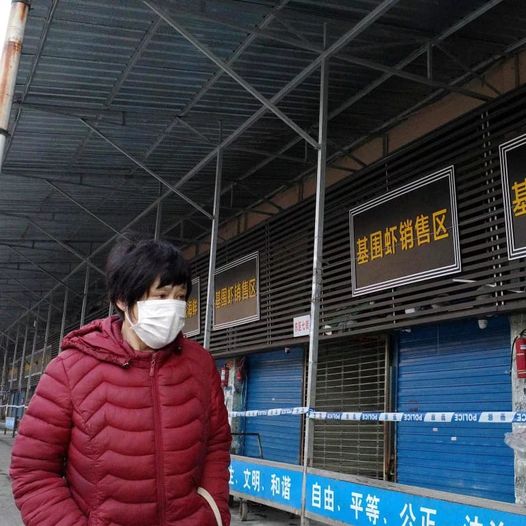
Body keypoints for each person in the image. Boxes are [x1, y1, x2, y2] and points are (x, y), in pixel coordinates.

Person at [10, 237, 231, 526]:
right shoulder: (70, 369)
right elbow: (33, 470)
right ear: (123, 300)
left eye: (180, 297)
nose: (173, 308)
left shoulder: (200, 365)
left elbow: (216, 445)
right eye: (161, 296)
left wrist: (212, 513)